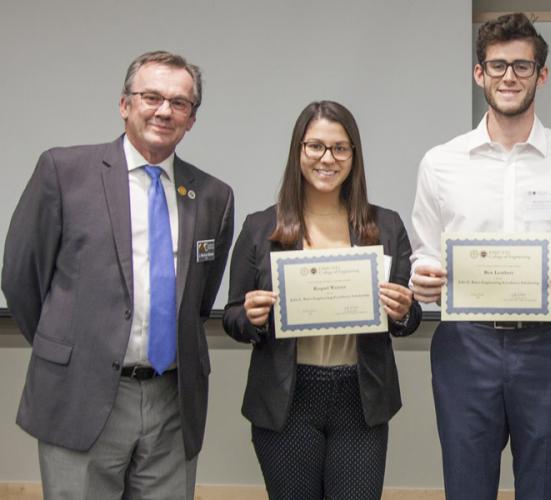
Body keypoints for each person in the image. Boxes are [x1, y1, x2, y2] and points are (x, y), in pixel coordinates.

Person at [1, 51, 233, 499]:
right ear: (125, 104)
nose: (164, 110)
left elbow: (198, 301)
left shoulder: (211, 195)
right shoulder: (64, 171)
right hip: (80, 396)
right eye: (151, 97)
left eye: (179, 103)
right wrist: (69, 350)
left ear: (191, 119)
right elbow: (20, 279)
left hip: (172, 401)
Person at [409, 12, 551, 500]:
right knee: (466, 487)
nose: (509, 77)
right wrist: (424, 274)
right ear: (478, 73)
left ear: (541, 75)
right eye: (497, 65)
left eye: (522, 66)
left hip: (549, 349)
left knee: (544, 488)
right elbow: (422, 250)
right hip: (465, 346)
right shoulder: (440, 163)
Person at [222, 100, 421, 499]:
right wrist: (250, 316)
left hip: (360, 398)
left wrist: (403, 312)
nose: (327, 158)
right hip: (286, 397)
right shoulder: (262, 227)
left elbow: (409, 315)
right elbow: (232, 317)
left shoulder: (386, 226)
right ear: (298, 152)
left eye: (340, 148)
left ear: (353, 155)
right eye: (315, 146)